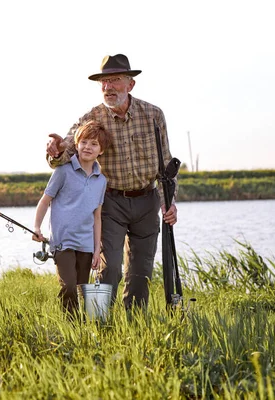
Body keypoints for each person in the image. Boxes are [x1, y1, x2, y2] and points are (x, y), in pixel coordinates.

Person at [46, 54, 178, 310]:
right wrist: (55, 150)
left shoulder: (153, 115)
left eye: (115, 80)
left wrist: (169, 202)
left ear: (130, 85)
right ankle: (99, 324)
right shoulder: (92, 118)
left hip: (148, 202)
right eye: (103, 82)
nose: (108, 87)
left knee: (141, 274)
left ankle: (135, 327)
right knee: (109, 269)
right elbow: (65, 151)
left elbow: (166, 166)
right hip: (110, 203)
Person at [33, 120, 111, 315]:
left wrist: (96, 250)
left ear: (101, 150)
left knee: (82, 288)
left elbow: (97, 217)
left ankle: (83, 328)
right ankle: (70, 327)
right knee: (68, 287)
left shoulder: (101, 181)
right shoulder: (63, 171)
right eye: (84, 142)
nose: (88, 147)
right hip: (62, 243)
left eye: (94, 144)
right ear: (76, 144)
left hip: (85, 245)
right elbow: (44, 201)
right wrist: (37, 228)